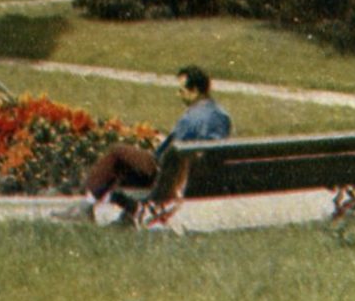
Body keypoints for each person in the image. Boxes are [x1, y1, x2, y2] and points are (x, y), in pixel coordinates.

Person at [55, 65, 232, 225]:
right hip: (197, 179)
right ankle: (126, 213)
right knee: (126, 163)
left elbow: (172, 153)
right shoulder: (223, 115)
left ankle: (87, 205)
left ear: (195, 91)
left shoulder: (192, 117)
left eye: (181, 91)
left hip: (169, 175)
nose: (178, 95)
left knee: (117, 153)